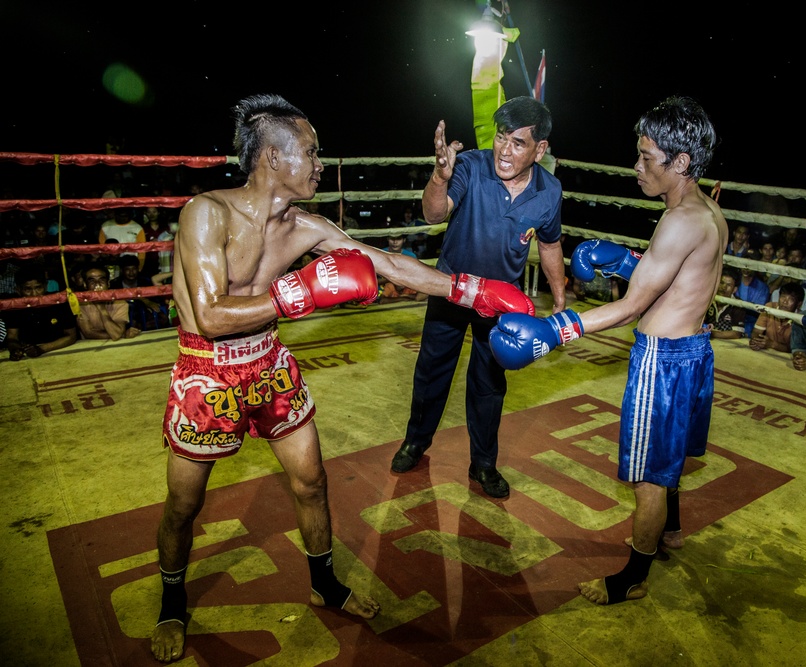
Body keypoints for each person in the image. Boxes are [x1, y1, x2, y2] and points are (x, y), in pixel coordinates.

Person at [150, 94, 533, 663]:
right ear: (272, 159)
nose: (319, 161)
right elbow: (209, 314)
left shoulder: (307, 226)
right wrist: (297, 292)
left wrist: (470, 290)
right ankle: (172, 600)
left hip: (269, 364)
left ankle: (324, 582)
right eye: (309, 151)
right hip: (206, 372)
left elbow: (387, 264)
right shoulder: (207, 213)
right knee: (184, 505)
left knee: (312, 482)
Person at [490, 96, 726, 605]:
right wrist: (628, 261)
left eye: (646, 156)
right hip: (695, 353)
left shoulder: (681, 220)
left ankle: (630, 579)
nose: (636, 166)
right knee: (672, 454)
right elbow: (677, 280)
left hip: (662, 362)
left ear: (679, 163)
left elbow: (630, 307)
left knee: (645, 474)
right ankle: (671, 531)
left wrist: (555, 330)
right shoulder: (708, 211)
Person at [390, 96, 566, 499]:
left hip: (501, 305)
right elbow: (435, 214)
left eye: (518, 142)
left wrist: (559, 300)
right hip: (451, 290)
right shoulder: (470, 164)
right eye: (501, 136)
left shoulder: (549, 191)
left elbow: (551, 245)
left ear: (540, 149)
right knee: (432, 372)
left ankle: (484, 464)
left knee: (488, 385)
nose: (504, 149)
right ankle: (416, 442)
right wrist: (439, 176)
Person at [3, 266, 77, 360]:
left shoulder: (59, 301)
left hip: (60, 350)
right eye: (28, 289)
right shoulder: (14, 306)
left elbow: (71, 336)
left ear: (45, 286)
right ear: (18, 290)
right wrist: (15, 349)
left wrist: (42, 349)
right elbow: (12, 337)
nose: (34, 294)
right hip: (28, 353)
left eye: (38, 288)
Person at [76, 264, 138, 340]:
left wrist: (101, 308)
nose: (97, 284)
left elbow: (116, 334)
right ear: (85, 285)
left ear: (108, 283)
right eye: (92, 281)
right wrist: (123, 334)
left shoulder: (119, 303)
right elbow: (88, 333)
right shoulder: (81, 304)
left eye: (102, 280)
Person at [748, 282, 805, 353]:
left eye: (791, 299)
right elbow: (756, 332)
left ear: (799, 304)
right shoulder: (770, 308)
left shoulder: (801, 319)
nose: (785, 302)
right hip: (768, 352)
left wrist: (772, 344)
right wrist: (756, 341)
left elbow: (795, 348)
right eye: (783, 296)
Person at [378, 234, 426, 302]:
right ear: (388, 239)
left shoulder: (410, 256)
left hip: (405, 284)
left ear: (404, 240)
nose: (395, 242)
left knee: (425, 289)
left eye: (398, 239)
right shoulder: (379, 254)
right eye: (392, 239)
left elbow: (415, 276)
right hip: (386, 284)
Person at [704, 269, 746, 339]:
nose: (723, 287)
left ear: (734, 289)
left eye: (728, 285)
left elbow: (736, 334)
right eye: (721, 283)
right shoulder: (708, 298)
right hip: (708, 340)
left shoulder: (738, 305)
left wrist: (710, 334)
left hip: (729, 344)